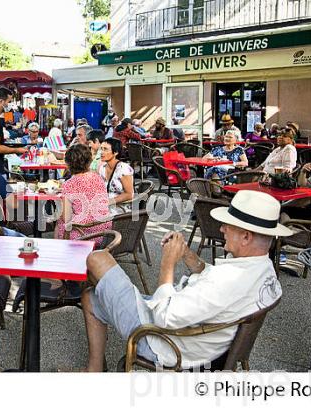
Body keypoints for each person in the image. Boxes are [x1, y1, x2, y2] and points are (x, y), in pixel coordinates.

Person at [81, 190, 289, 371]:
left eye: (228, 225)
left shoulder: (226, 281)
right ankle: (94, 369)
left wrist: (168, 263)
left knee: (97, 259)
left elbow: (164, 317)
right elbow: (210, 277)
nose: (222, 229)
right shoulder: (263, 269)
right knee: (91, 297)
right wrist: (187, 253)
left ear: (246, 237)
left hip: (165, 343)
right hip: (195, 337)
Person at [55, 144, 112, 241]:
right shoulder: (98, 178)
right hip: (105, 232)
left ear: (68, 164)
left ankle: (61, 254)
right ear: (89, 161)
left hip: (84, 233)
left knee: (60, 222)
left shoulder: (69, 184)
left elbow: (66, 218)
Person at [98, 138, 134, 208]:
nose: (101, 152)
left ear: (115, 152)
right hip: (105, 206)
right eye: (101, 149)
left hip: (121, 208)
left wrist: (109, 202)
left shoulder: (123, 168)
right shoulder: (102, 168)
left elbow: (129, 194)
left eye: (105, 149)